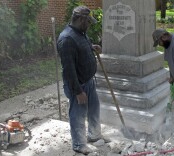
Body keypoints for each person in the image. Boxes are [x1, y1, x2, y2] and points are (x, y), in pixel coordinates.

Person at [57, 6, 106, 155]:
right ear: (80, 19)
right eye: (88, 21)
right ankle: (78, 144)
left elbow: (80, 48)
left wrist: (91, 47)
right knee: (78, 115)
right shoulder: (66, 39)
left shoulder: (80, 33)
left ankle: (94, 134)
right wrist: (78, 91)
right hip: (78, 85)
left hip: (89, 81)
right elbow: (69, 70)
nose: (89, 24)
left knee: (94, 109)